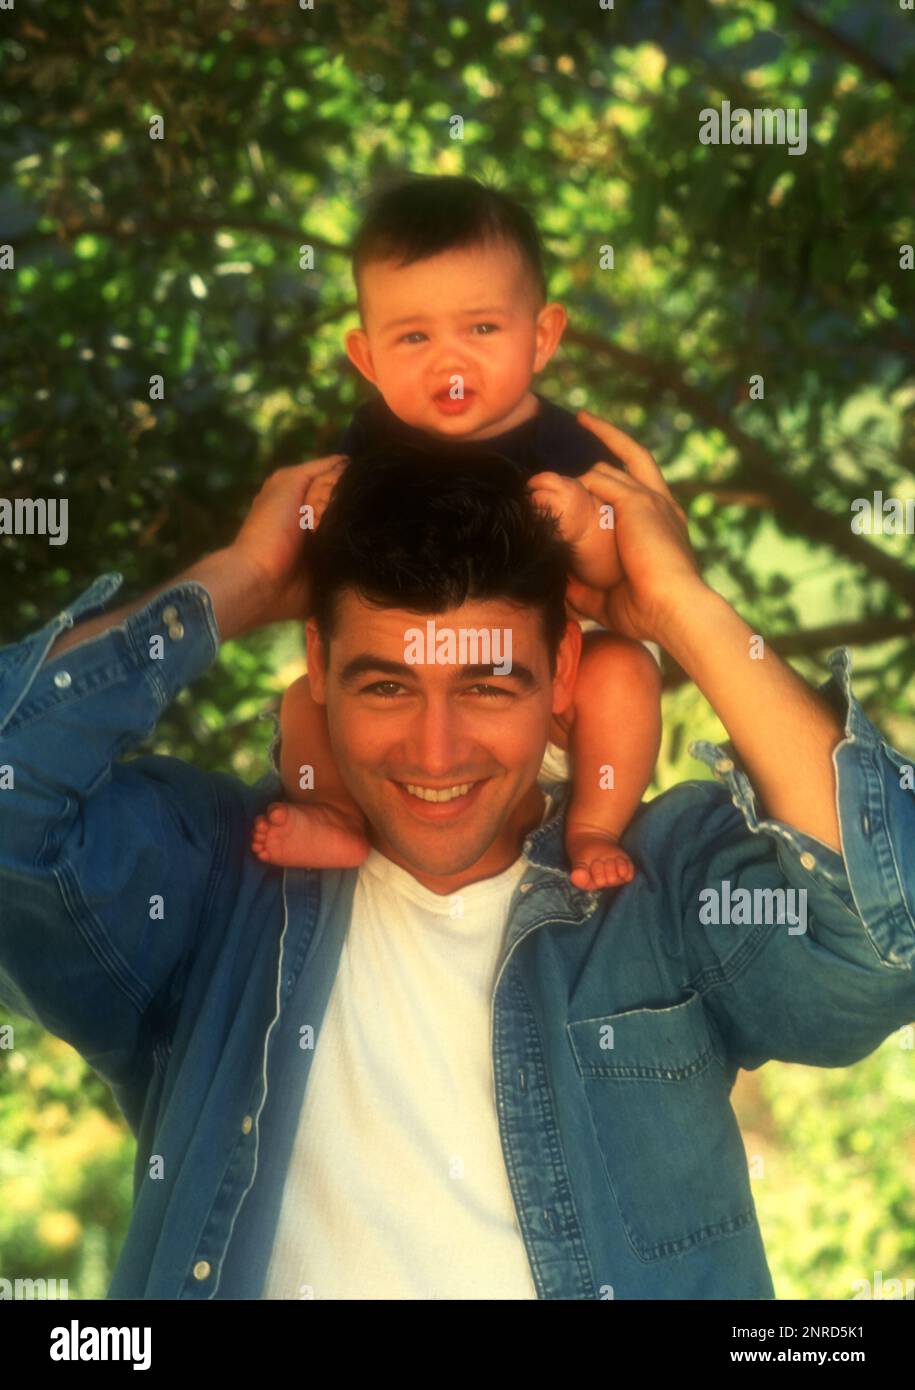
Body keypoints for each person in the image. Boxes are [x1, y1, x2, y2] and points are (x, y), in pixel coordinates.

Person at [0, 414, 913, 1300]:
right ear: (317, 665)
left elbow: (887, 937)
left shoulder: (657, 892)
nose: (436, 754)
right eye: (388, 685)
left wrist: (678, 605)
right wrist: (236, 581)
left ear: (562, 673)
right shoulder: (209, 892)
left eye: (485, 685)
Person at [254, 174, 661, 890]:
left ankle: (594, 824)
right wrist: (317, 509)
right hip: (411, 702)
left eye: (480, 328)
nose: (449, 361)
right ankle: (336, 814)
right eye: (413, 336)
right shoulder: (368, 442)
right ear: (367, 357)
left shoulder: (562, 444)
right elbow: (331, 566)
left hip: (539, 698)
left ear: (541, 337)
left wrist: (586, 523)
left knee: (625, 668)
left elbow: (611, 569)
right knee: (303, 700)